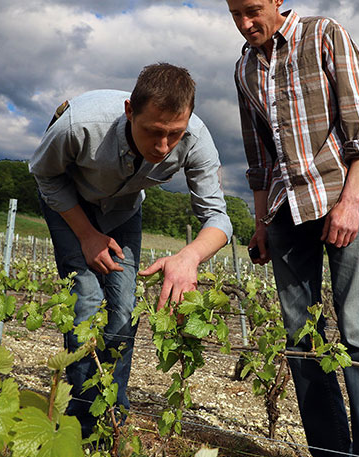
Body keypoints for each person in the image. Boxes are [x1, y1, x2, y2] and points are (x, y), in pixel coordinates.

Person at [223, 0, 359, 457]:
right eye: (235, 15)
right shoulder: (243, 68)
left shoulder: (324, 35)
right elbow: (258, 160)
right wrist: (258, 224)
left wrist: (349, 203)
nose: (246, 23)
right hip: (283, 211)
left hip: (339, 198)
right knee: (302, 339)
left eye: (253, 11)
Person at [29, 63, 232, 436]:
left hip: (123, 209)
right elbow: (44, 175)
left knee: (124, 307)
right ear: (129, 111)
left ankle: (112, 416)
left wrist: (189, 257)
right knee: (87, 300)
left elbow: (219, 219)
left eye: (174, 134)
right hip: (69, 203)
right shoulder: (81, 124)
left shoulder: (197, 138)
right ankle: (80, 422)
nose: (163, 146)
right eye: (153, 132)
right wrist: (87, 235)